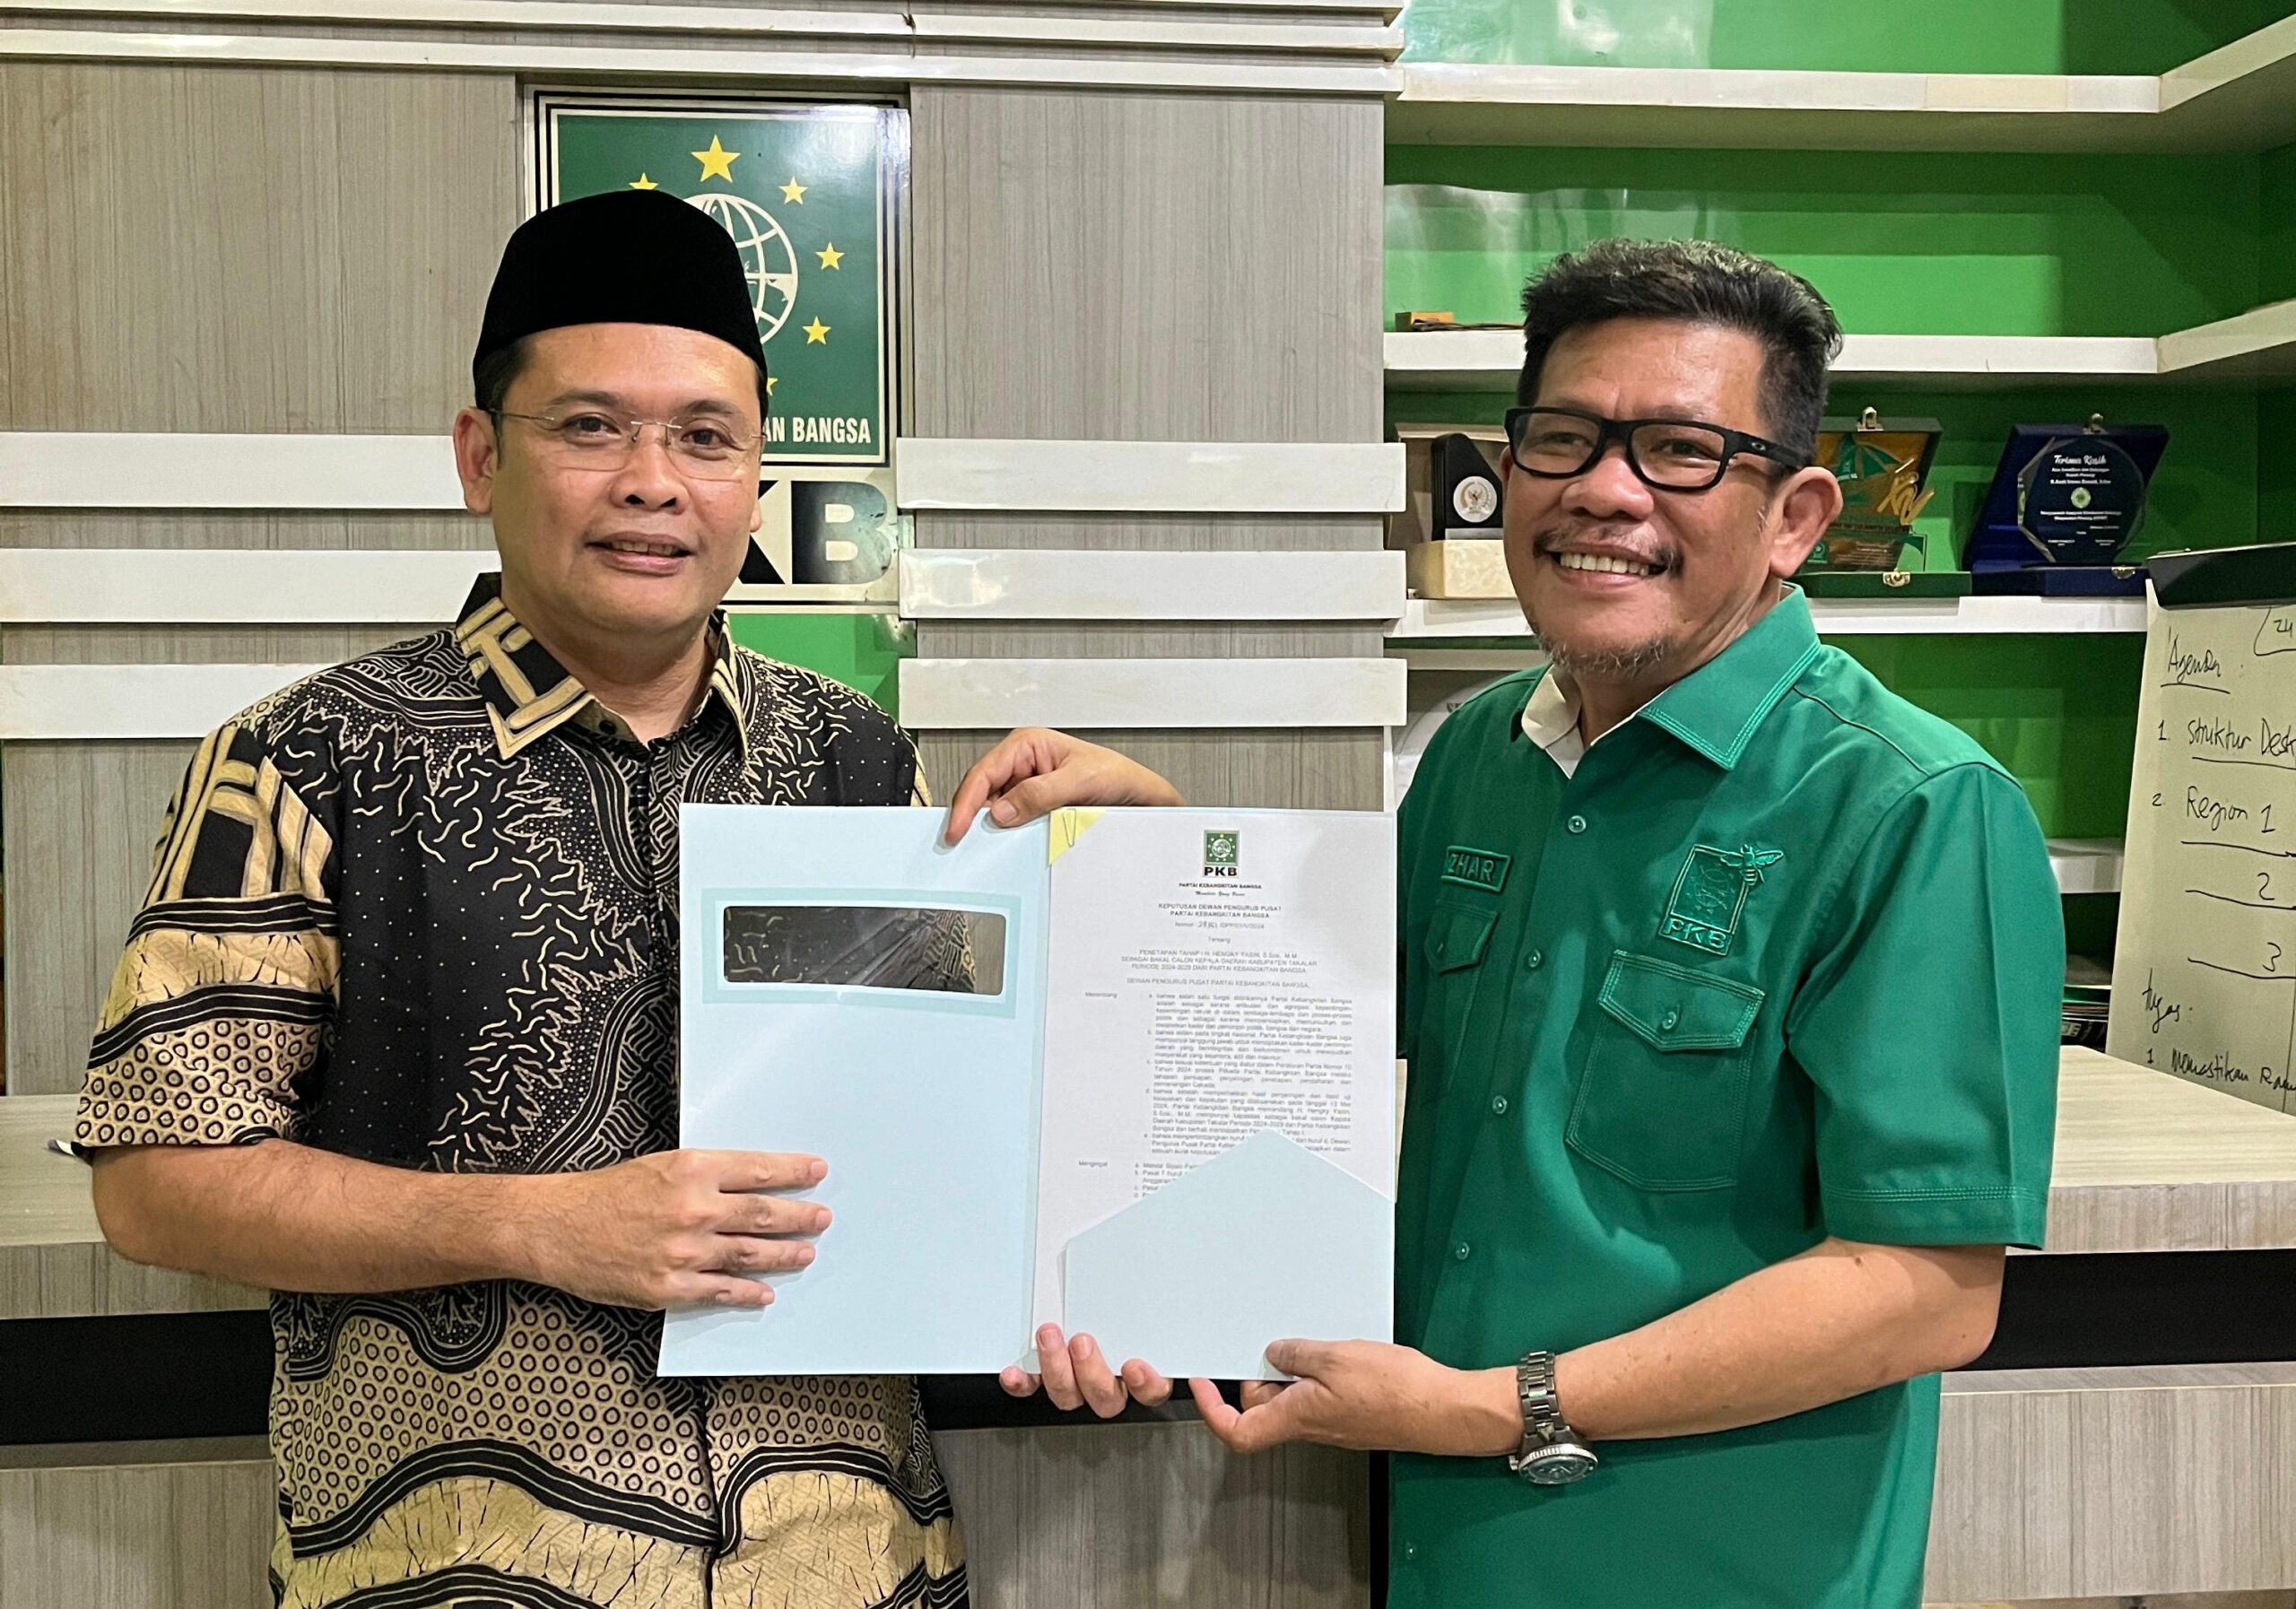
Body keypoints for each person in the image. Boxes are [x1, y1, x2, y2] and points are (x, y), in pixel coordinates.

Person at [950, 238, 2063, 1608]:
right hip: (1446, 1558)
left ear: (1796, 516)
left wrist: (1494, 1407)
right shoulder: (1485, 749)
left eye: (1682, 450)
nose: (1606, 489)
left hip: (1712, 1573)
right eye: (1564, 436)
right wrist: (1157, 851)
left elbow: (1927, 1285)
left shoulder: (1917, 808)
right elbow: (1324, 1016)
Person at [75, 189, 966, 1608]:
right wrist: (537, 1224)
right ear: (480, 456)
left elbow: (958, 1142)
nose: (653, 482)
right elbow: (156, 1179)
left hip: (847, 1559)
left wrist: (1127, 880)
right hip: (461, 1569)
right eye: (591, 426)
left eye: (706, 437)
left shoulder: (856, 757)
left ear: (753, 477)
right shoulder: (309, 758)